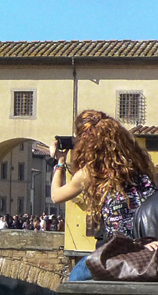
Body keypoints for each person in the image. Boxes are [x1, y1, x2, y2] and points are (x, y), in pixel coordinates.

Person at [51, 109, 158, 281]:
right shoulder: (141, 165)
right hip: (150, 246)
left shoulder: (91, 172)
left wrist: (60, 162)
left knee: (76, 276)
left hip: (119, 251)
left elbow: (56, 196)